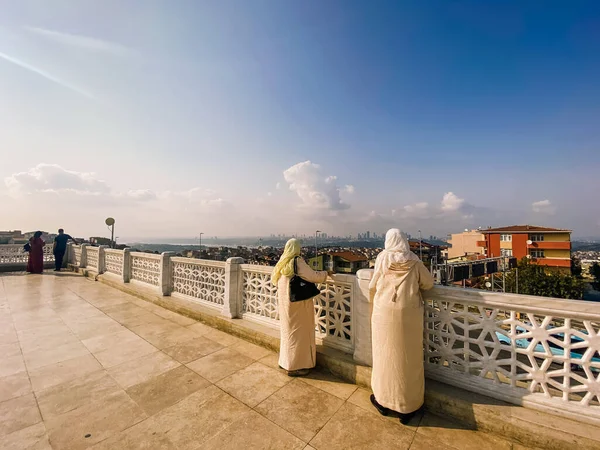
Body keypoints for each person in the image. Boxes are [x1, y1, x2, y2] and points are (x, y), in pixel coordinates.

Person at [368, 228, 434, 424]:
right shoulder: (413, 259)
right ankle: (407, 407)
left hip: (384, 314)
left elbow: (372, 286)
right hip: (409, 315)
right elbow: (428, 284)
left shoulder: (382, 258)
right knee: (408, 358)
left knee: (385, 357)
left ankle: (383, 400)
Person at [272, 238, 330, 377]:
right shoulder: (297, 261)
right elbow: (313, 276)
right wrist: (326, 274)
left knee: (287, 333)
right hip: (297, 306)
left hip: (286, 305)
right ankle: (295, 366)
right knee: (299, 334)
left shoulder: (282, 262)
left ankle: (285, 361)